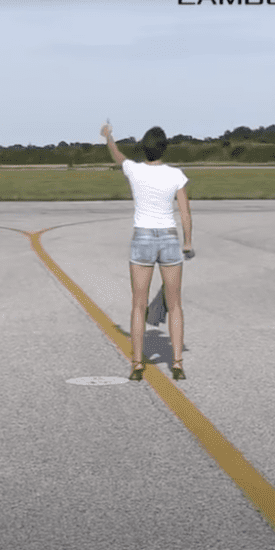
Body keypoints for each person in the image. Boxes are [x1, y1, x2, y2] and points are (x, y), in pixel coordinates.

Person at [100, 121, 193, 381]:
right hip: (169, 239)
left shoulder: (134, 170)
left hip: (142, 238)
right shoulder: (176, 175)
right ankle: (177, 364)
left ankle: (137, 365)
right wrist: (188, 242)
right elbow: (184, 212)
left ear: (144, 148)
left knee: (138, 305)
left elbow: (117, 155)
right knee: (174, 305)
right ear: (165, 149)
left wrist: (109, 136)